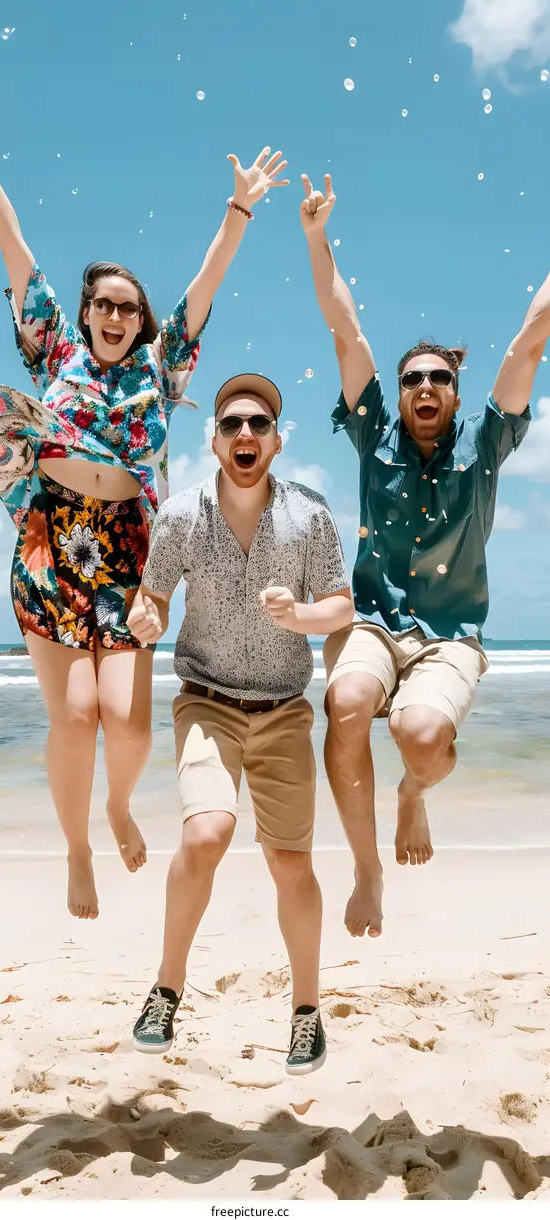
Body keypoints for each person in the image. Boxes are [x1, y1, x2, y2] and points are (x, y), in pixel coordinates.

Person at [0, 75, 289, 920]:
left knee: (127, 724)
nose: (113, 316)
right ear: (85, 310)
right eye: (102, 303)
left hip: (131, 546)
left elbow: (206, 283)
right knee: (73, 717)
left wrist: (239, 209)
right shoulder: (52, 350)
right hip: (50, 540)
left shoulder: (161, 365)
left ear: (141, 323)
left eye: (127, 308)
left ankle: (115, 808)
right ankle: (76, 850)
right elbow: (12, 244)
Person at [301, 171, 538, 940]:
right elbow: (346, 328)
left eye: (439, 377)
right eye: (413, 379)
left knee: (423, 736)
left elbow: (531, 336)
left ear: (457, 391)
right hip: (372, 621)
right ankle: (367, 870)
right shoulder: (375, 433)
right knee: (342, 706)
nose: (426, 386)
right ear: (398, 393)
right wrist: (316, 236)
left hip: (451, 633)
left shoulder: (488, 441)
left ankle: (412, 793)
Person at [127, 373, 353, 1074]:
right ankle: (166, 987)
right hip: (206, 702)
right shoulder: (181, 516)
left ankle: (307, 1012)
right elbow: (154, 598)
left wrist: (302, 617)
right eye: (232, 425)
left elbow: (340, 607)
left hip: (284, 709)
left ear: (277, 441)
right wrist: (146, 618)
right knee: (207, 832)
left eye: (258, 424)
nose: (245, 435)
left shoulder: (309, 515)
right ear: (216, 440)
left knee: (291, 864)